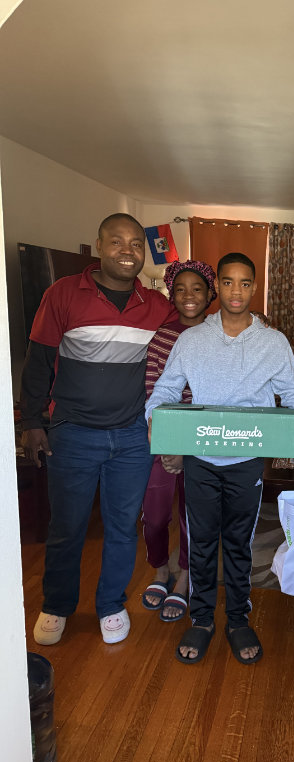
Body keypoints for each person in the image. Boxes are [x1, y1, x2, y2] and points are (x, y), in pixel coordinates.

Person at [146, 252, 294, 665]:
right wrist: (155, 419)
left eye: (244, 283)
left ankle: (238, 620)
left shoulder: (273, 342)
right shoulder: (192, 340)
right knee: (201, 543)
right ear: (216, 287)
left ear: (254, 288)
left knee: (239, 544)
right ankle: (202, 620)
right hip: (200, 460)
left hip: (246, 462)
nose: (236, 291)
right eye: (227, 282)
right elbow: (166, 389)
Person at [21, 213, 175, 646]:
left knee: (123, 528)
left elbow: (193, 326)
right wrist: (32, 422)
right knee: (66, 528)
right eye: (117, 242)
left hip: (132, 437)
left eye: (136, 244)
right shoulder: (63, 293)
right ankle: (56, 605)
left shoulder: (155, 304)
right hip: (73, 434)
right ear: (100, 246)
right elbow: (39, 360)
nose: (128, 251)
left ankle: (111, 605)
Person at [140, 259, 217, 621]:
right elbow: (153, 388)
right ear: (171, 294)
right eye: (181, 289)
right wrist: (169, 443)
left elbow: (220, 394)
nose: (189, 296)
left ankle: (184, 576)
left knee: (193, 515)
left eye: (197, 288)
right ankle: (160, 570)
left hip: (203, 438)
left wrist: (189, 447)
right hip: (165, 435)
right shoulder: (162, 335)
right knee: (155, 515)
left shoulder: (220, 335)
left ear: (210, 294)